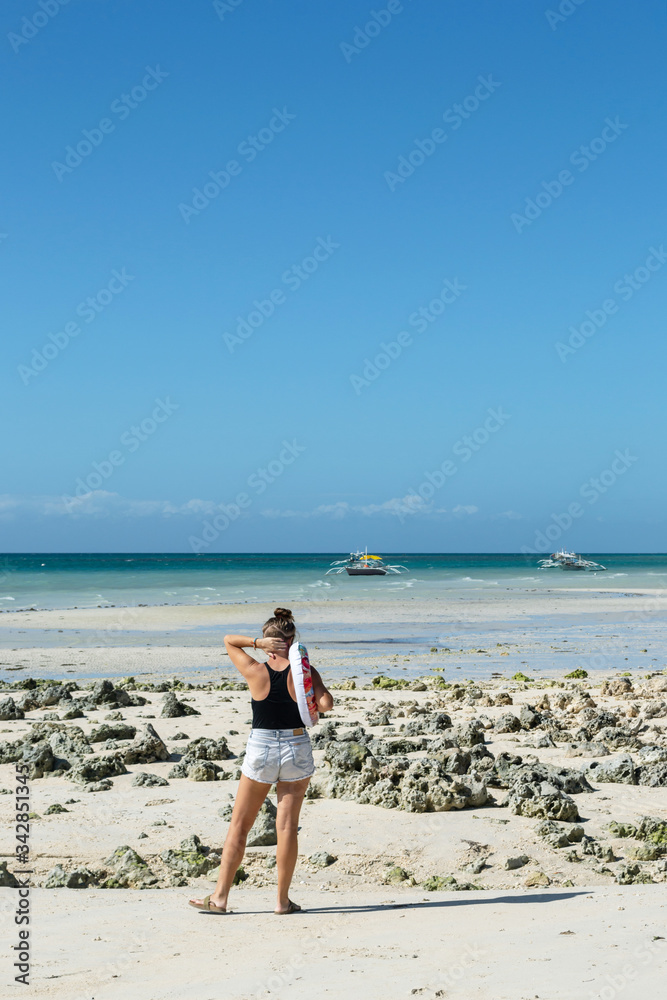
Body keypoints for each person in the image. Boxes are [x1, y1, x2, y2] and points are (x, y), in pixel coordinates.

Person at [188, 607, 334, 915]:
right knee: (287, 828)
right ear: (292, 640)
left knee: (240, 826)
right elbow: (326, 705)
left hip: (262, 748)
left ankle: (220, 898)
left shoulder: (255, 670)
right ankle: (282, 901)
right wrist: (311, 695)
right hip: (296, 747)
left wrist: (256, 644)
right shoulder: (306, 672)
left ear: (268, 642)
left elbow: (228, 640)